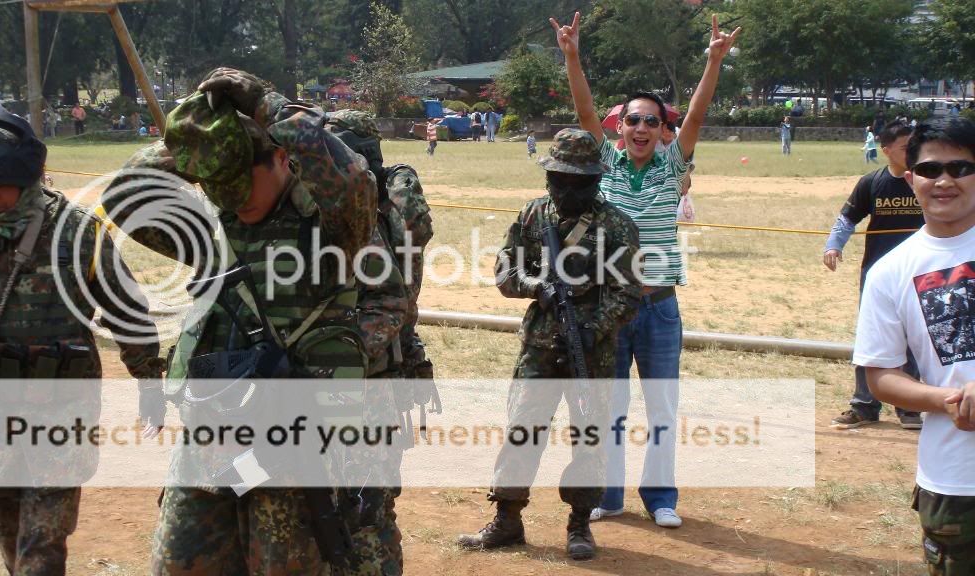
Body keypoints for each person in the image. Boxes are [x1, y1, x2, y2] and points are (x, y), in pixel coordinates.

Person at [103, 67, 378, 575]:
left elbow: (355, 180)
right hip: (211, 437)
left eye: (239, 182)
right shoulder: (211, 230)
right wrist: (204, 136)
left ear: (280, 156)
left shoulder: (331, 226)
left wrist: (267, 108)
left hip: (295, 446)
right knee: (179, 566)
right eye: (216, 185)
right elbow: (124, 194)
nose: (230, 199)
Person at [0, 106, 165, 576]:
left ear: (27, 178)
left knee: (42, 545)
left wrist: (150, 384)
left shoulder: (76, 232)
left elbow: (126, 310)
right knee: (2, 522)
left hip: (61, 410)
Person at [552, 11, 740, 528]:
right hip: (609, 308)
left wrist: (714, 62)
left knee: (661, 409)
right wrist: (572, 57)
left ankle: (660, 498)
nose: (640, 128)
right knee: (607, 410)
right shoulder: (605, 164)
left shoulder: (673, 165)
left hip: (659, 308)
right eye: (632, 120)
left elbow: (699, 115)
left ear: (663, 130)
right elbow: (584, 112)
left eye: (651, 121)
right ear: (621, 125)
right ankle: (608, 496)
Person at [456, 128, 641, 560]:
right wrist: (536, 286)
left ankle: (579, 523)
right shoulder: (531, 217)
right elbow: (505, 272)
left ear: (596, 180)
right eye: (562, 180)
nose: (570, 189)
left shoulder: (616, 226)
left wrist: (595, 327)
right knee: (522, 429)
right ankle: (506, 519)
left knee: (590, 436)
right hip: (539, 345)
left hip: (591, 350)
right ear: (549, 177)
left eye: (581, 182)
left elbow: (629, 291)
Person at [853, 118, 975, 574]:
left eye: (960, 168)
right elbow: (880, 376)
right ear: (910, 178)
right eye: (930, 169)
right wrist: (951, 400)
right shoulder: (890, 272)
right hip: (955, 482)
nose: (944, 180)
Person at [326, 109, 436, 575]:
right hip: (385, 376)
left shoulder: (364, 221)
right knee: (369, 506)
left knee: (362, 512)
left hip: (363, 380)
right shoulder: (396, 208)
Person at [826, 120, 925, 429]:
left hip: (920, 273)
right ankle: (865, 406)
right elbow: (847, 219)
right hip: (877, 275)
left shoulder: (925, 180)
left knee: (914, 337)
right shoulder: (871, 182)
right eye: (905, 147)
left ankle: (909, 406)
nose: (912, 152)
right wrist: (833, 245)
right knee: (872, 337)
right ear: (885, 151)